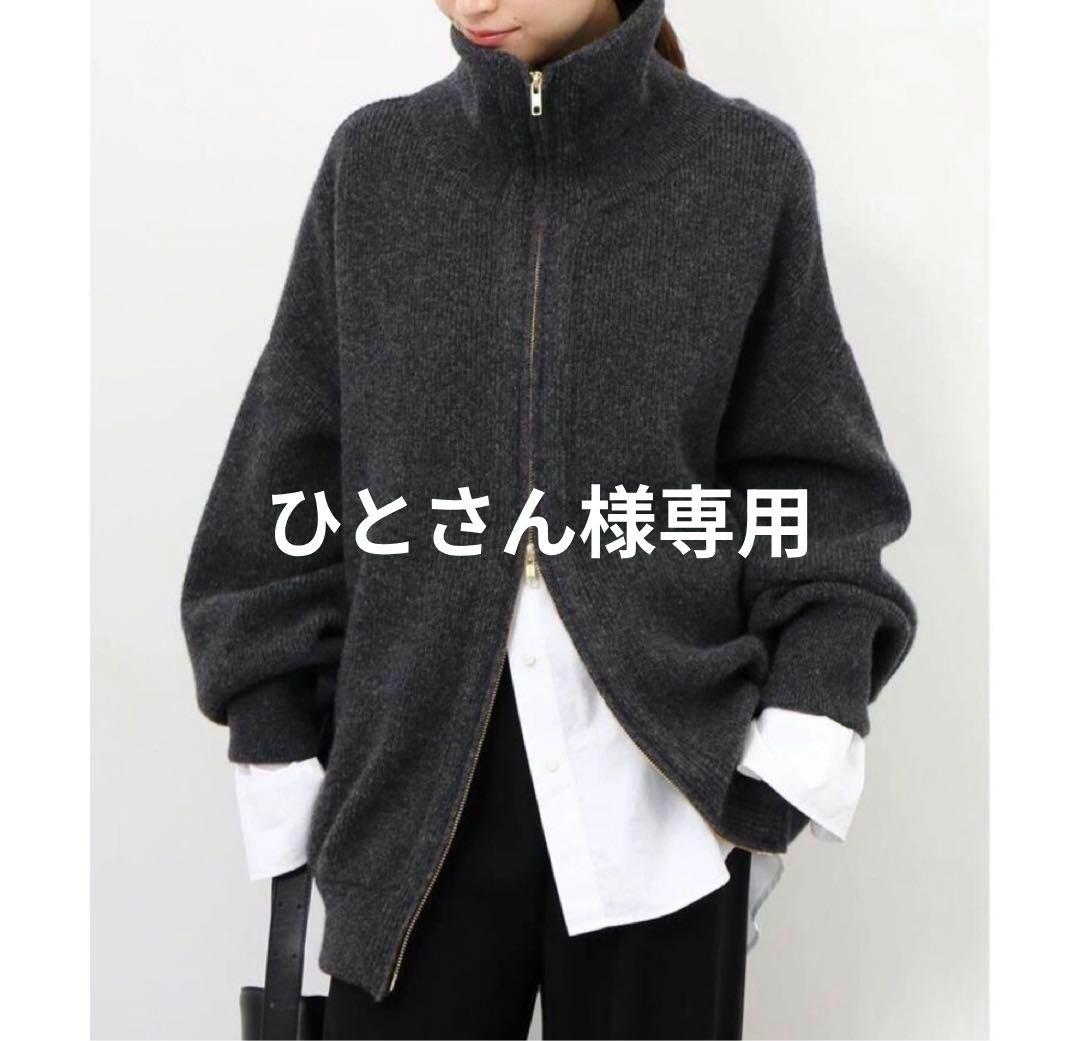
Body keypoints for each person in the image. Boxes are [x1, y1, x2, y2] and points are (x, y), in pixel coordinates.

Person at [180, 0, 917, 1037]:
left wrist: (796, 738)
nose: (469, 3)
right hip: (408, 809)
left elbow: (817, 489)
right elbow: (284, 478)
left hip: (658, 806)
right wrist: (273, 720)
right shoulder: (377, 167)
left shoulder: (742, 171)